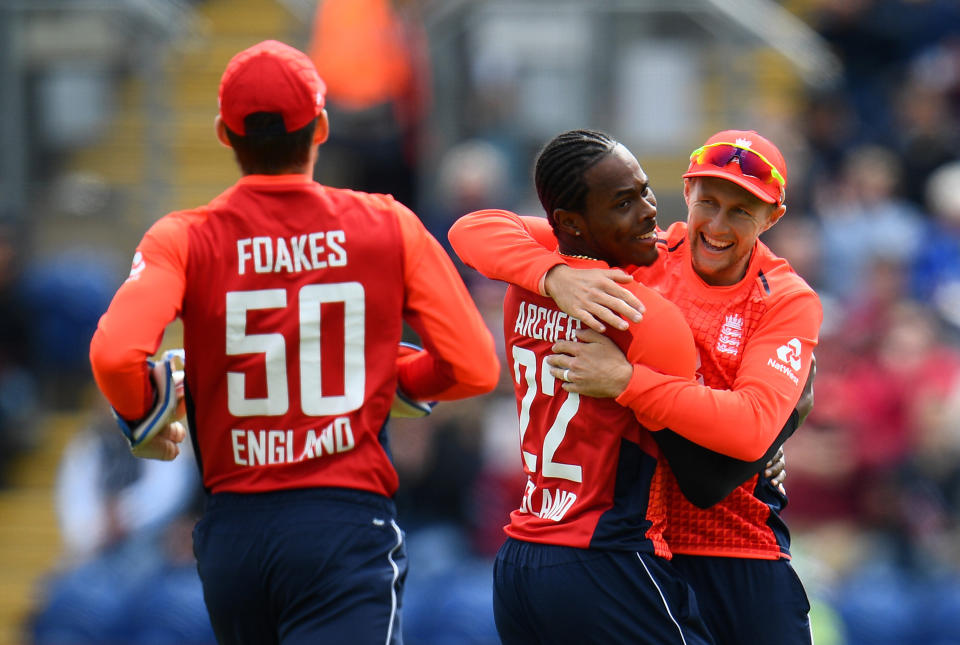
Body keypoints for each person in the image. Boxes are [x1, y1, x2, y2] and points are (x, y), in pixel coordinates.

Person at [88, 40, 500, 645]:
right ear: (323, 127)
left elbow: (112, 354)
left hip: (235, 534)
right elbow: (474, 366)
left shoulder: (181, 237)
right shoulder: (389, 224)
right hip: (342, 525)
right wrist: (395, 380)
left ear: (224, 135)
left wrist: (146, 419)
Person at [448, 129, 822, 644]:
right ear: (687, 192)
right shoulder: (644, 252)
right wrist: (553, 274)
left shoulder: (784, 299)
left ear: (771, 218)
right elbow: (476, 229)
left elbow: (749, 432)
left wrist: (627, 382)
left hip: (736, 546)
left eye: (741, 211)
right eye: (707, 201)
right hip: (639, 547)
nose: (715, 225)